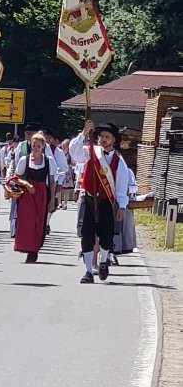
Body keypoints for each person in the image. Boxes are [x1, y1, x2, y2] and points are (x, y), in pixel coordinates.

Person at [69, 121, 130, 284]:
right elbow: (74, 153)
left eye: (106, 137)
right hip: (89, 199)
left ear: (113, 140)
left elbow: (121, 186)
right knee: (87, 235)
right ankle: (88, 271)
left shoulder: (119, 161)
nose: (102, 139)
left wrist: (122, 206)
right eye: (101, 136)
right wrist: (83, 133)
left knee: (106, 236)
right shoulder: (90, 151)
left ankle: (103, 261)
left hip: (105, 203)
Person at [12, 131, 56, 263]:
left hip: (42, 193)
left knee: (39, 222)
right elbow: (16, 178)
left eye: (38, 146)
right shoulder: (24, 160)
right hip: (28, 194)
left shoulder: (48, 161)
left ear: (43, 147)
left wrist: (52, 199)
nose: (35, 148)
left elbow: (52, 182)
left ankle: (35, 248)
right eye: (33, 145)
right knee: (27, 221)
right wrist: (26, 183)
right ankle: (27, 247)